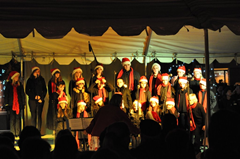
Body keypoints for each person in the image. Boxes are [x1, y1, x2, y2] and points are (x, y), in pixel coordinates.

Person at [26, 66, 47, 131]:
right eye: (36, 72)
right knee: (33, 116)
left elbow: (45, 90)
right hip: (32, 100)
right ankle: (33, 131)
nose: (38, 73)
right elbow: (27, 91)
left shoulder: (41, 79)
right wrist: (34, 96)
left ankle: (39, 130)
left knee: (39, 115)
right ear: (33, 72)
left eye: (39, 72)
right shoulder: (30, 80)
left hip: (40, 100)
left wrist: (41, 97)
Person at [4, 71, 25, 136]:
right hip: (11, 104)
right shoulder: (9, 85)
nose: (17, 78)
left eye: (17, 77)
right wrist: (6, 103)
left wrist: (23, 103)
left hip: (18, 104)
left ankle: (18, 133)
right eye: (16, 77)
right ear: (13, 78)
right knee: (12, 119)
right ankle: (13, 133)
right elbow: (6, 94)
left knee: (18, 119)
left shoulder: (19, 85)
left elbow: (22, 94)